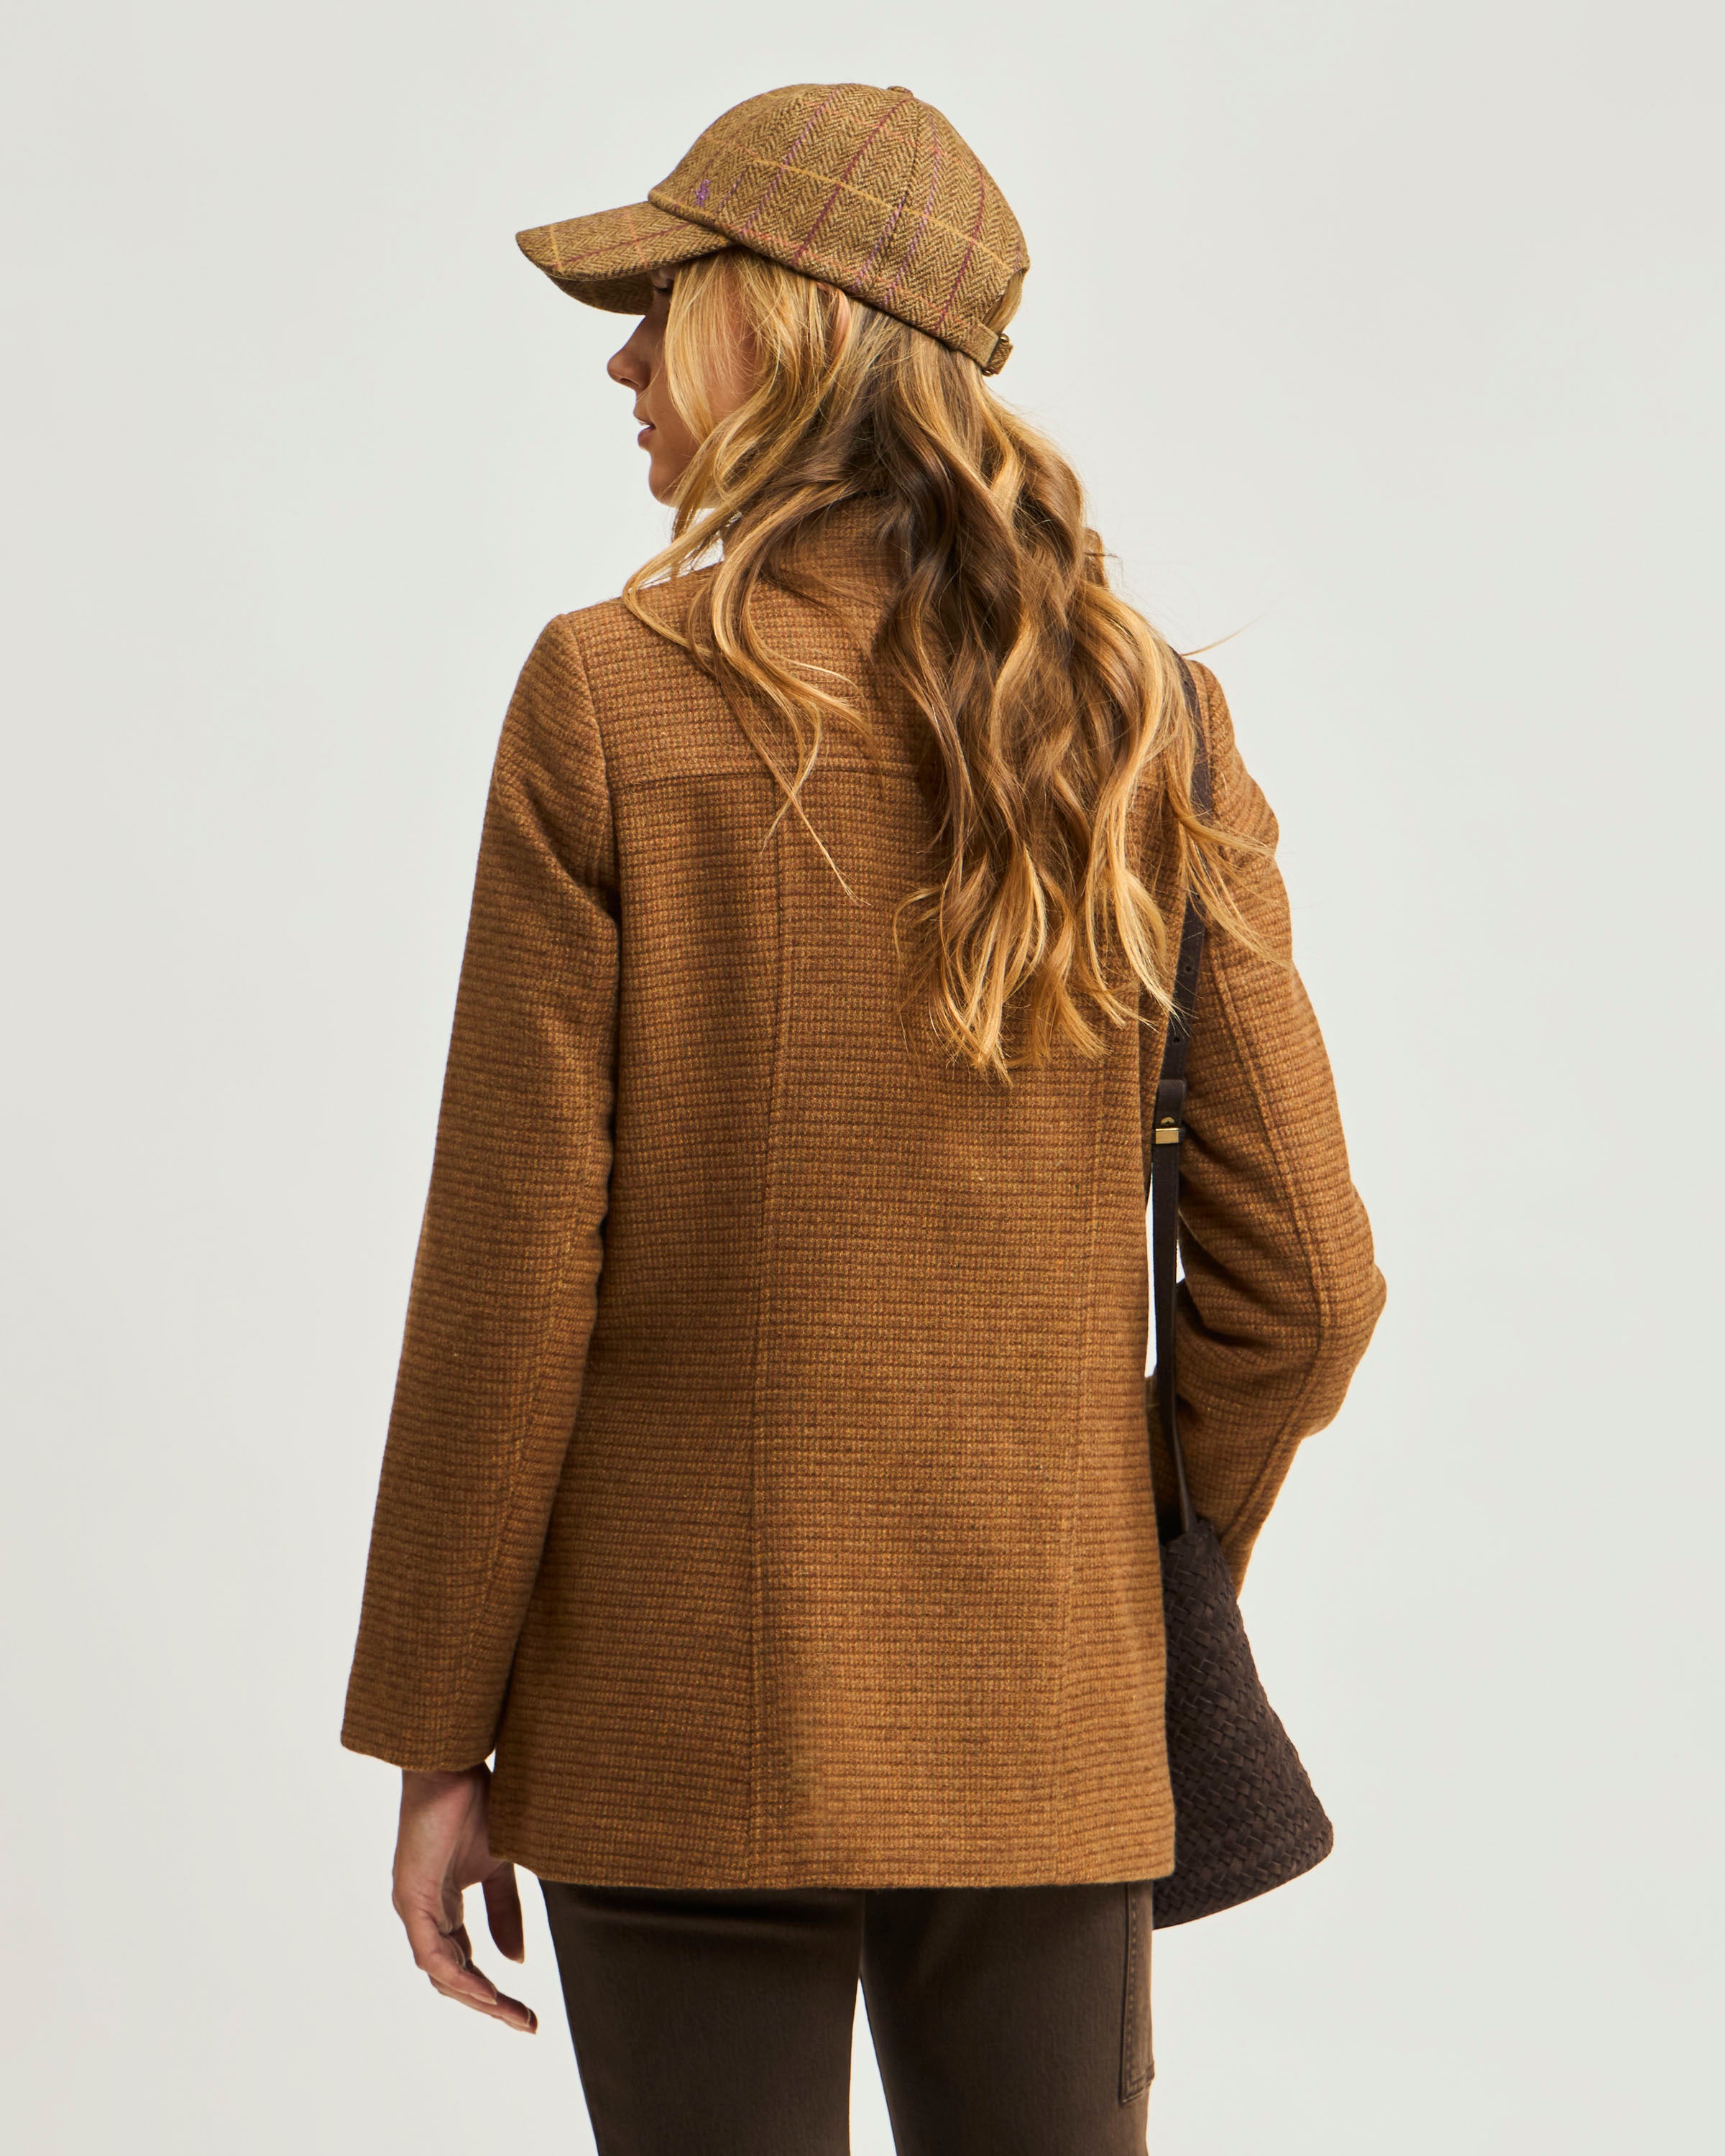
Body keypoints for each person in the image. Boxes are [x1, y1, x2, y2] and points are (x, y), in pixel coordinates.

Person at [341, 80, 1385, 2156]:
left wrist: (436, 1731)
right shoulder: (1150, 723)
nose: (626, 366)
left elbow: (511, 1282)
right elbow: (1310, 1290)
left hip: (669, 1722)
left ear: (782, 322)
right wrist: (1103, 1553)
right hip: (1044, 1722)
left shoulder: (608, 698)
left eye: (664, 307)